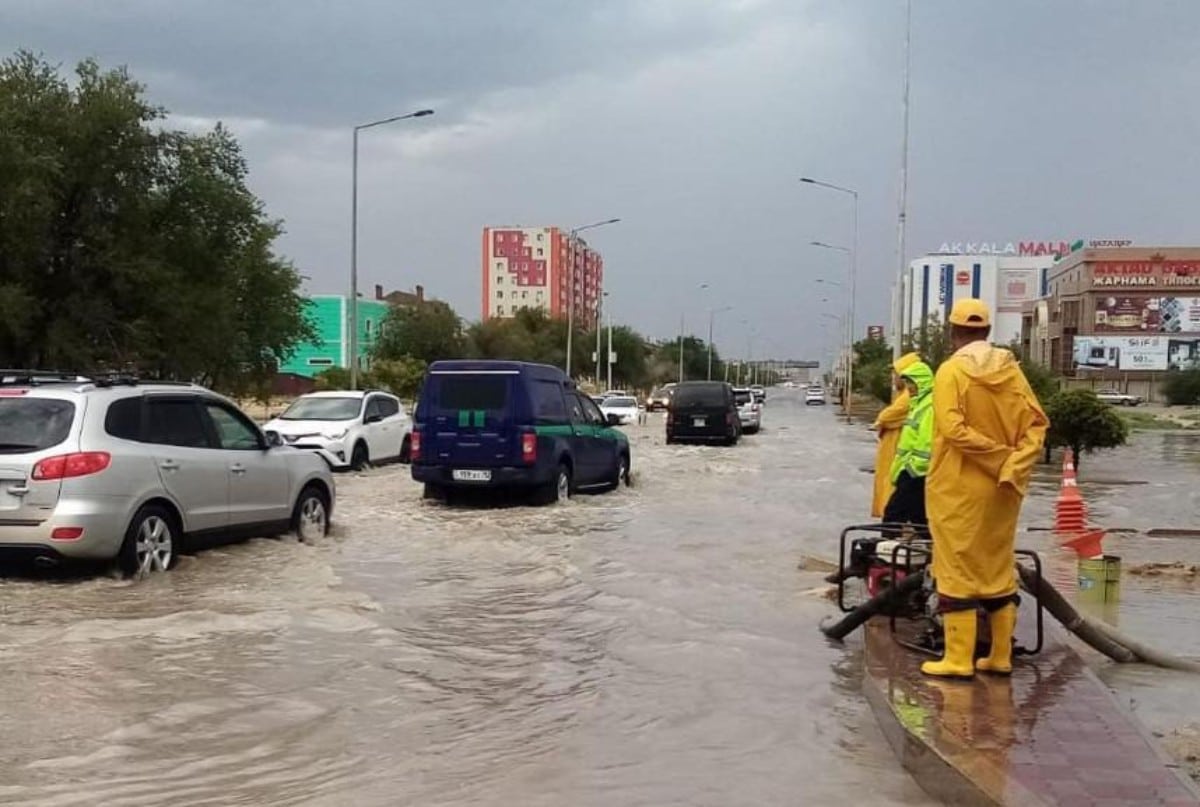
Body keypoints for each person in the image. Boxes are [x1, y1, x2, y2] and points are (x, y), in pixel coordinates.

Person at [921, 298, 1048, 680]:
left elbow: (953, 429)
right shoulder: (1013, 372)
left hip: (958, 487)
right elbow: (1037, 426)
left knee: (956, 565)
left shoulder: (950, 372)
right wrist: (1012, 464)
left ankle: (958, 659)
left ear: (952, 331)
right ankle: (999, 656)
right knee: (996, 565)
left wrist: (994, 458)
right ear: (988, 331)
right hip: (1005, 488)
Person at [882, 359, 934, 531]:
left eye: (911, 383)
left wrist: (910, 470)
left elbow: (926, 443)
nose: (909, 388)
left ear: (922, 383)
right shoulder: (918, 404)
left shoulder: (929, 406)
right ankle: (932, 552)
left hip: (915, 474)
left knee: (893, 515)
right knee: (919, 518)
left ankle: (885, 552)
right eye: (907, 383)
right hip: (913, 473)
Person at [870, 352, 921, 519]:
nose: (893, 378)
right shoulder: (902, 396)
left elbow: (886, 417)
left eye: (896, 374)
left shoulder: (908, 398)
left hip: (904, 459)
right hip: (897, 455)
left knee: (897, 507)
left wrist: (883, 422)